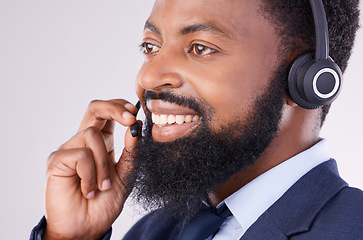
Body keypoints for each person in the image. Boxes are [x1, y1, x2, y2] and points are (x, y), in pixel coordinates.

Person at [31, 0, 363, 239]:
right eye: (151, 45)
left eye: (200, 48)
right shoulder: (154, 231)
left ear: (307, 79)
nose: (149, 77)